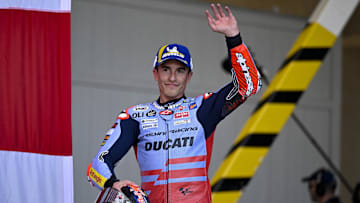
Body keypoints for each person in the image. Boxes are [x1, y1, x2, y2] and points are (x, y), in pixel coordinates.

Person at [87, 3, 262, 202]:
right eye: (166, 69)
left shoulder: (203, 109)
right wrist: (113, 184)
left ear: (189, 76)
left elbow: (249, 86)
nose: (172, 77)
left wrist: (233, 37)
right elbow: (97, 166)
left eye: (180, 70)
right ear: (155, 74)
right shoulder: (135, 117)